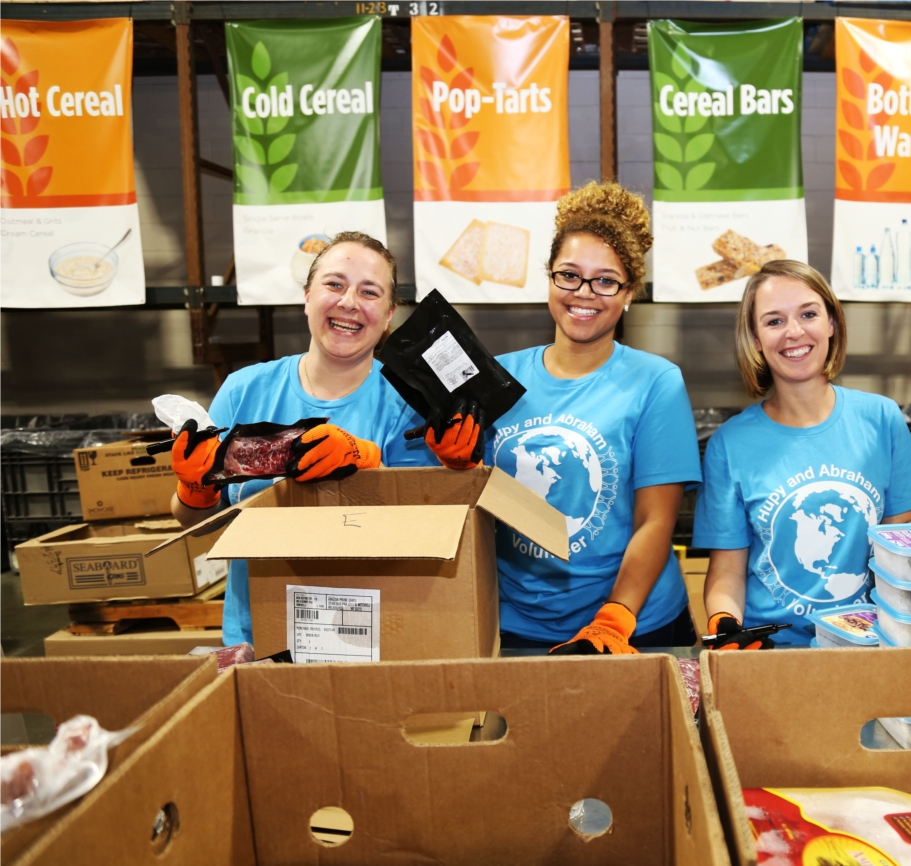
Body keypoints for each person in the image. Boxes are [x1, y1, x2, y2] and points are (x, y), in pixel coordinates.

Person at [168, 232, 478, 646]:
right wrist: (194, 489)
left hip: (380, 634)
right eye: (334, 284)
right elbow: (196, 525)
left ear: (388, 315)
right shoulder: (245, 390)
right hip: (260, 633)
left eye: (369, 292)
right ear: (307, 297)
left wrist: (368, 464)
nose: (349, 302)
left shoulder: (412, 405)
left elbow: (428, 536)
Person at [485, 182, 700, 655]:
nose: (584, 293)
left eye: (606, 280)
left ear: (629, 294)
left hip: (637, 627)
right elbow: (476, 505)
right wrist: (454, 462)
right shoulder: (498, 378)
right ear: (549, 278)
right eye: (569, 275)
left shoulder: (655, 382)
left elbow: (655, 522)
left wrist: (615, 618)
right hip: (518, 626)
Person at [692, 260, 911, 649]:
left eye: (808, 314)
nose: (794, 332)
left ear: (832, 323)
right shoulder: (730, 444)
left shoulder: (881, 419)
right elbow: (727, 572)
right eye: (773, 321)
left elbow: (902, 553)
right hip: (772, 651)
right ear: (754, 338)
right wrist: (726, 624)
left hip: (870, 645)